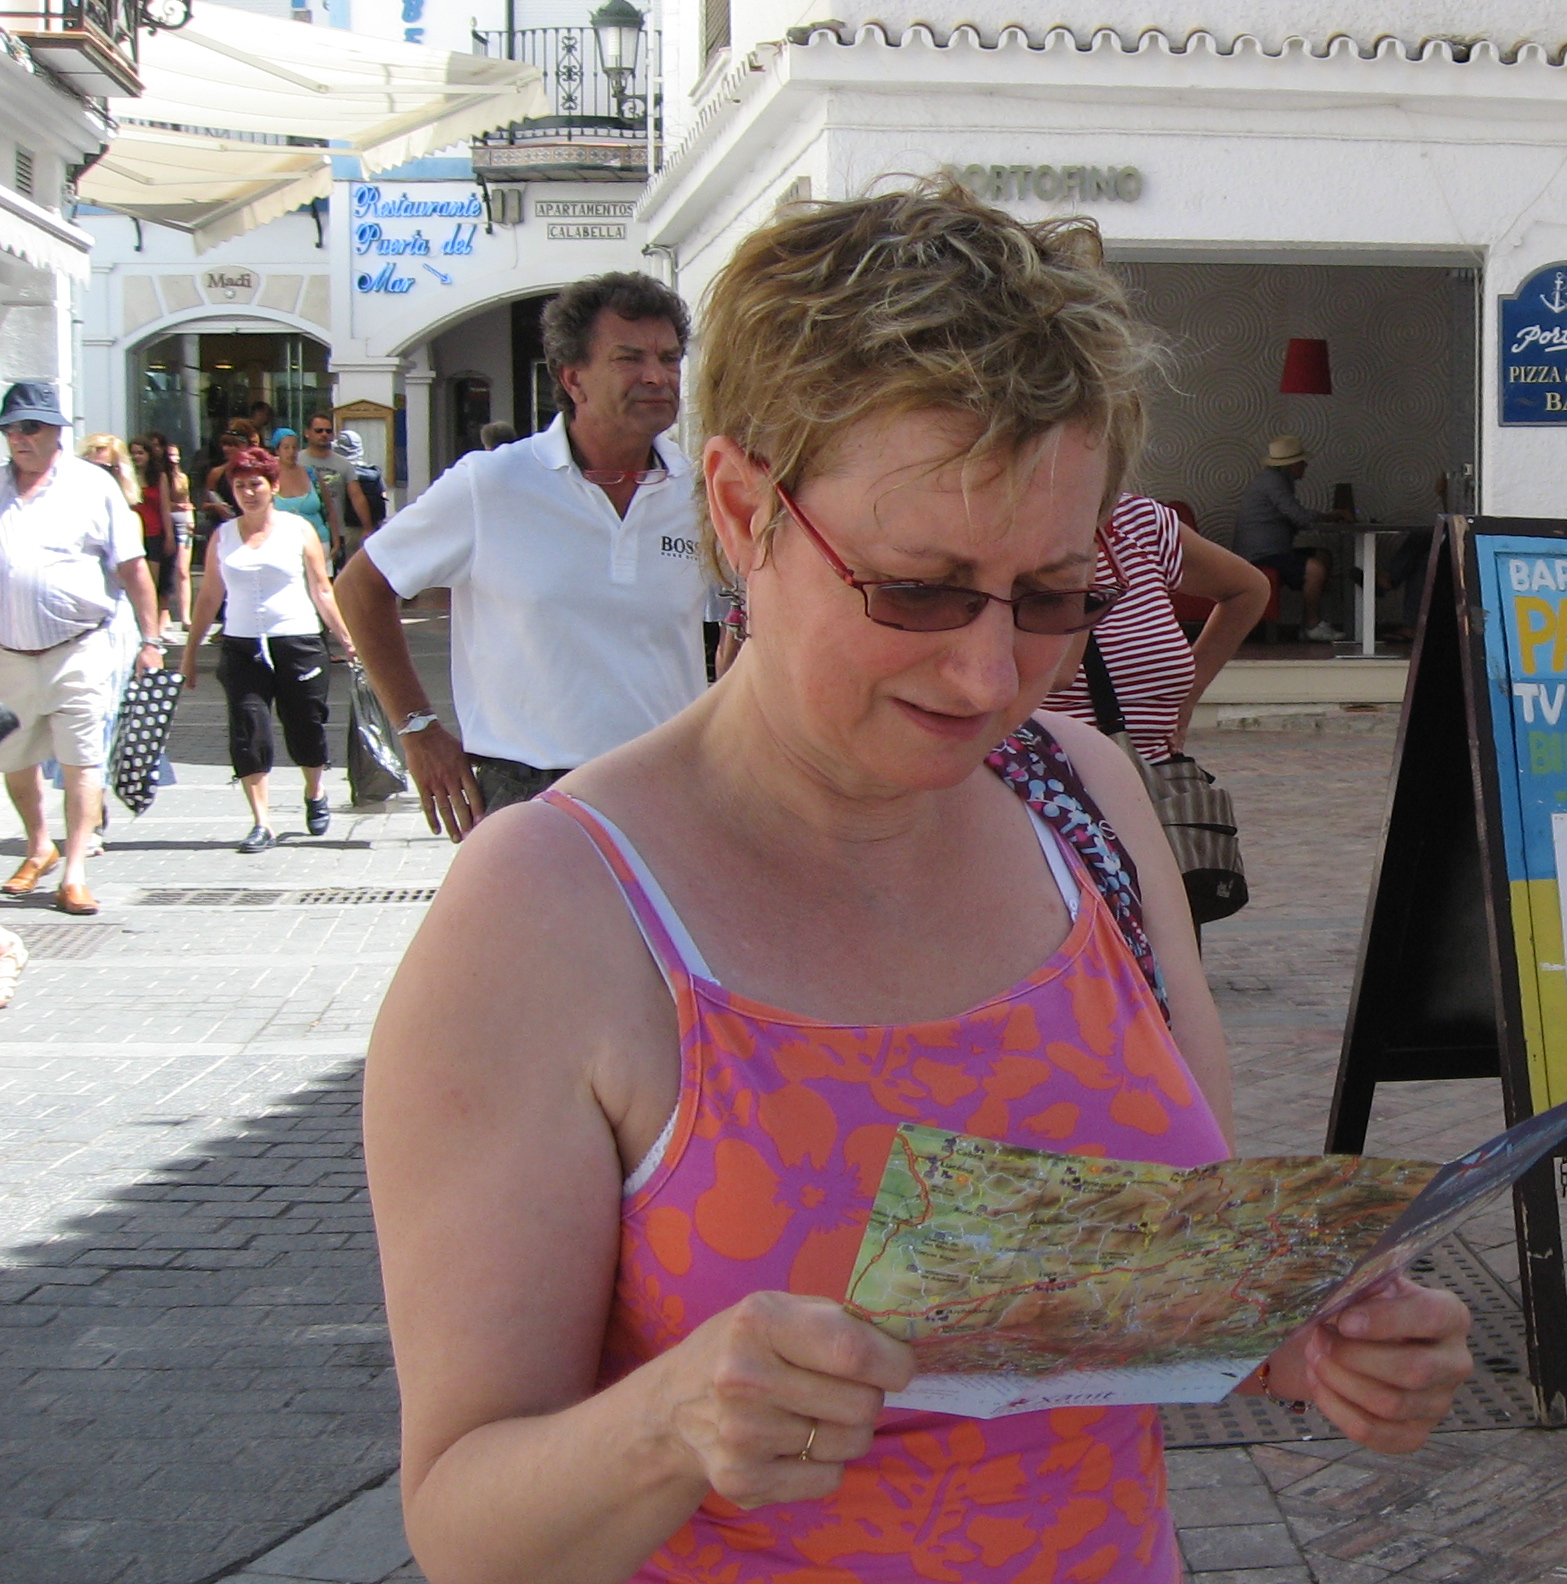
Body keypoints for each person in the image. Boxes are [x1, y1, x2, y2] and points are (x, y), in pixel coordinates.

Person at [364, 181, 1473, 1584]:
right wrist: (666, 1427)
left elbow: (1135, 1302)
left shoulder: (1088, 801)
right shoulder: (547, 914)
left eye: (1052, 595)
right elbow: (464, 1522)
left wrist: (1297, 1340)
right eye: (919, 588)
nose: (988, 673)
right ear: (743, 509)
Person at [338, 272, 709, 837]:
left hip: (668, 787)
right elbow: (361, 586)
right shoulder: (492, 484)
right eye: (629, 358)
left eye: (669, 358)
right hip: (530, 794)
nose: (657, 376)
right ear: (573, 378)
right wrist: (417, 729)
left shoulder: (700, 492)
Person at [0, 383, 164, 915]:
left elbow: (132, 567)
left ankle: (74, 871)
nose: (18, 438)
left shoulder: (92, 486)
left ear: (56, 431)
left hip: (79, 648)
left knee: (82, 760)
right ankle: (38, 845)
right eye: (10, 429)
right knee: (12, 758)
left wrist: (151, 639)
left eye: (29, 427)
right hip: (7, 653)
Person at [180, 446, 353, 852]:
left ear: (273, 486)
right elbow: (209, 596)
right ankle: (262, 823)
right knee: (248, 729)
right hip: (242, 645)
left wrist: (347, 640)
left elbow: (322, 589)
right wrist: (190, 652)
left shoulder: (298, 530)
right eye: (240, 486)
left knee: (305, 723)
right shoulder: (223, 536)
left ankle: (314, 790)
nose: (248, 493)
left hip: (297, 639)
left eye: (255, 484)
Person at [1039, 493, 1270, 760]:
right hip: (1042, 777)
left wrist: (1190, 693)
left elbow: (1249, 590)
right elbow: (1059, 676)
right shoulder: (1014, 527)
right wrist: (1081, 574)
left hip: (1150, 773)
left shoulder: (1139, 520)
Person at [1232, 435, 1352, 642]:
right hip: (1261, 555)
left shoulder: (1276, 479)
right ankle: (1312, 625)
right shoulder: (1273, 482)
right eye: (1302, 462)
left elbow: (1295, 516)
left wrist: (1329, 516)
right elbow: (1299, 517)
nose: (1305, 466)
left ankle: (1308, 623)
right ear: (1292, 464)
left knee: (1323, 555)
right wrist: (1333, 516)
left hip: (1273, 552)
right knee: (1315, 569)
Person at [129, 437, 187, 638]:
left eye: (141, 453)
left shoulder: (159, 477)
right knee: (134, 582)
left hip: (155, 533)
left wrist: (169, 536)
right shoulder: (126, 477)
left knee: (151, 583)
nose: (137, 457)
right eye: (133, 453)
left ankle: (152, 628)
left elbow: (164, 507)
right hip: (133, 534)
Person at [300, 411, 375, 563]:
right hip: (303, 531)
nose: (324, 434)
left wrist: (367, 527)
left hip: (336, 533)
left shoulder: (343, 463)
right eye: (319, 430)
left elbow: (357, 496)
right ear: (307, 433)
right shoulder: (297, 461)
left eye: (328, 431)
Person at [268, 431, 329, 546]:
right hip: (282, 543)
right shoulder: (268, 478)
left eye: (294, 447)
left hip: (319, 539)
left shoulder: (311, 473)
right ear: (277, 450)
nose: (291, 452)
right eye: (286, 447)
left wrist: (335, 541)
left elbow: (329, 508)